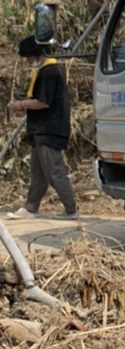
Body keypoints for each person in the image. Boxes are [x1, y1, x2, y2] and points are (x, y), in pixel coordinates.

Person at [5, 35, 78, 220]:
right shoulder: (45, 71)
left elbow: (43, 102)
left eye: (29, 57)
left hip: (49, 129)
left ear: (36, 54)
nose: (28, 61)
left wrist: (21, 105)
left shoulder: (49, 72)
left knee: (54, 171)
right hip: (40, 129)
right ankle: (31, 207)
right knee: (38, 172)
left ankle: (71, 210)